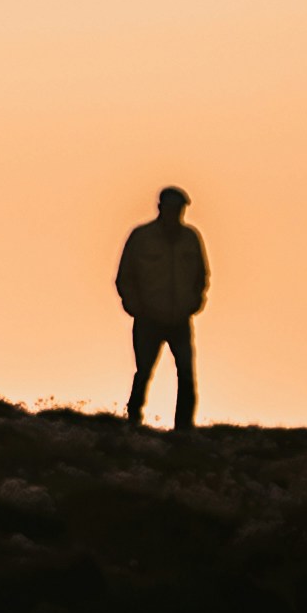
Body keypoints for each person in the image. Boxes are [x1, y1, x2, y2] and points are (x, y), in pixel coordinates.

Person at [117, 183, 208, 432]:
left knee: (187, 375)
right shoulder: (142, 237)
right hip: (148, 319)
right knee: (144, 371)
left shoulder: (190, 238)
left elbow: (201, 275)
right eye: (173, 208)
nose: (177, 213)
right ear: (161, 208)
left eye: (180, 209)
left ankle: (184, 429)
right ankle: (133, 420)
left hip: (180, 320)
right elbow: (126, 276)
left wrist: (194, 302)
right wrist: (136, 308)